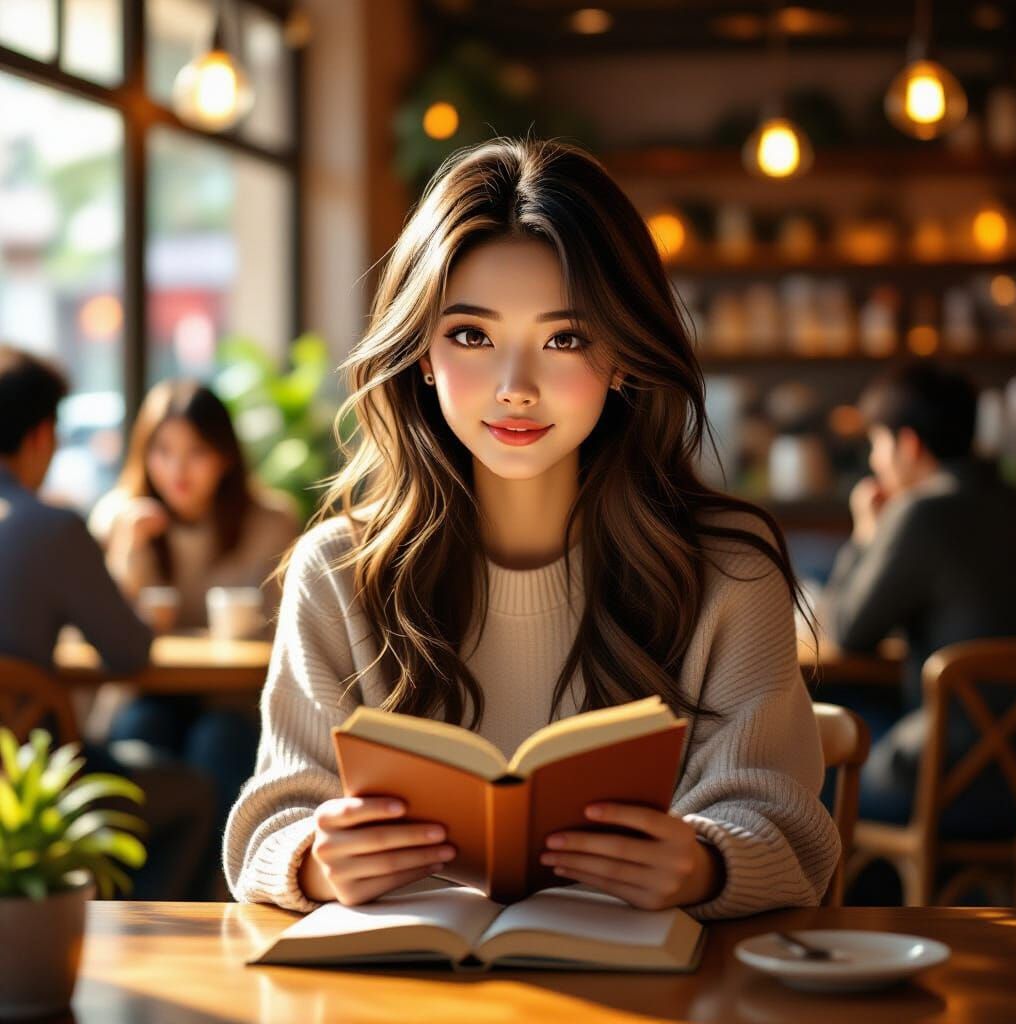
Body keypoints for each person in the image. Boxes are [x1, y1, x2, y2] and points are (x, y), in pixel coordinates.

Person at [223, 137, 840, 919]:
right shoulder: (338, 570)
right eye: (472, 336)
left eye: (565, 339)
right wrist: (316, 860)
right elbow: (271, 824)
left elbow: (787, 826)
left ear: (623, 357)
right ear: (418, 353)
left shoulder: (728, 572)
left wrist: (705, 864)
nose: (515, 388)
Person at [0, 343, 215, 899]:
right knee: (195, 795)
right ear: (42, 436)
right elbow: (129, 652)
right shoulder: (48, 527)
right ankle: (136, 953)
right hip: (29, 789)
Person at [87, 379, 300, 898]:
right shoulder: (118, 516)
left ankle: (215, 900)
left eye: (196, 452)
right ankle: (132, 906)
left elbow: (285, 629)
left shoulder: (269, 521)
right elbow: (104, 631)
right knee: (142, 734)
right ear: (143, 454)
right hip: (146, 692)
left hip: (232, 696)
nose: (177, 471)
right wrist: (130, 550)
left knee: (219, 740)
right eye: (163, 452)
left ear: (225, 457)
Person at [821, 361, 1016, 844]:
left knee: (811, 751)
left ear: (908, 444)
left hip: (946, 778)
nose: (875, 462)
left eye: (878, 444)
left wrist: (866, 534)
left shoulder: (921, 514)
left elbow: (847, 631)